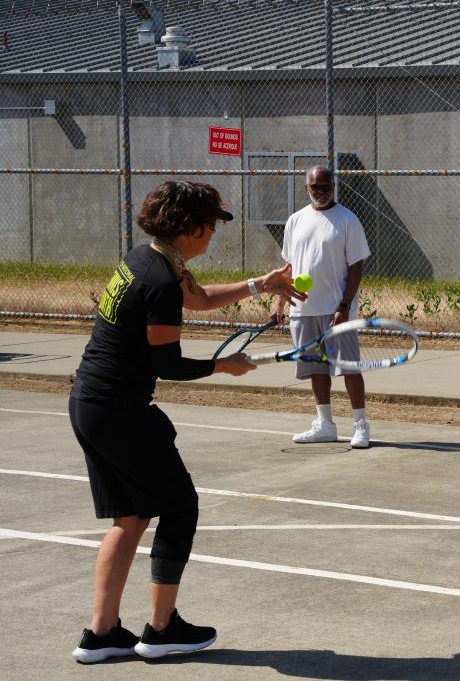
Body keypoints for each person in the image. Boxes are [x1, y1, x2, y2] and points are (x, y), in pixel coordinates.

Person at [69, 181, 304, 663]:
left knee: (130, 518)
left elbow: (197, 298)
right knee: (180, 507)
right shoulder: (157, 280)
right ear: (191, 228)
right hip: (119, 410)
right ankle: (161, 630)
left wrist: (265, 283)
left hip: (92, 405)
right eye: (211, 227)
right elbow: (167, 365)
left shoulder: (146, 259)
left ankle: (102, 634)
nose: (213, 236)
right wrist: (225, 366)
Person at [273, 165, 372, 446]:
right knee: (316, 367)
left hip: (336, 310)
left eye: (326, 187)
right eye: (315, 187)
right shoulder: (295, 221)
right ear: (307, 188)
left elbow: (356, 269)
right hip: (303, 309)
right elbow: (290, 267)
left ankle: (360, 425)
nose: (321, 192)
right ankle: (325, 424)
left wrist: (344, 306)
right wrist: (281, 302)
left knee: (348, 368)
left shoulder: (348, 220)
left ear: (333, 187)